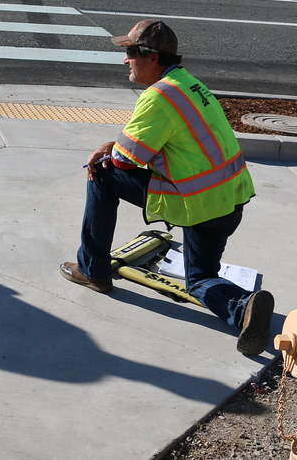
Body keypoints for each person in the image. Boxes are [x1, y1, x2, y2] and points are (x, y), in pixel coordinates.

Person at [59, 19, 273, 356]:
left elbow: (126, 161)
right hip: (230, 201)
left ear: (151, 57)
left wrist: (107, 151)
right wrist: (115, 146)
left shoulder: (159, 97)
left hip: (197, 204)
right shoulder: (189, 84)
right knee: (200, 279)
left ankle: (93, 271)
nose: (125, 60)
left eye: (130, 52)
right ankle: (243, 307)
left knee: (99, 172)